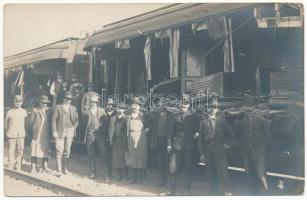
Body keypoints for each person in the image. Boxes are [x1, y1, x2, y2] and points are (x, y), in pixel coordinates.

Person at [163, 97, 200, 195]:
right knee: (172, 168)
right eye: (182, 103)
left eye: (186, 103)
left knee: (188, 169)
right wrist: (169, 145)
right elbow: (170, 132)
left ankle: (186, 191)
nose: (184, 105)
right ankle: (169, 190)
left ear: (188, 105)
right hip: (176, 146)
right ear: (180, 104)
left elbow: (199, 128)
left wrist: (197, 133)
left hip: (188, 146)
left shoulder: (194, 117)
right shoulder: (175, 117)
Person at [197, 96, 233, 195]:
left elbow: (231, 134)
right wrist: (201, 154)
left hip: (220, 149)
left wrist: (227, 144)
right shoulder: (203, 121)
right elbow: (200, 139)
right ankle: (213, 193)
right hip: (208, 151)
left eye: (215, 107)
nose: (213, 109)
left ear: (218, 108)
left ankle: (227, 192)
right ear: (208, 108)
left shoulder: (222, 120)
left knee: (223, 173)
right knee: (210, 173)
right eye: (211, 107)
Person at [234, 99, 269, 194]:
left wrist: (263, 147)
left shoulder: (260, 119)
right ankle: (251, 191)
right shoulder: (241, 121)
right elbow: (238, 135)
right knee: (249, 172)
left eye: (249, 107)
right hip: (246, 151)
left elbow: (267, 134)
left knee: (260, 172)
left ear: (253, 108)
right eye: (245, 107)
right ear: (243, 108)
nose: (247, 109)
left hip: (258, 151)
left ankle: (263, 191)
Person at [82, 95, 109, 180]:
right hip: (90, 134)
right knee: (91, 154)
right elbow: (83, 125)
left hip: (100, 135)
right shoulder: (86, 112)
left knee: (103, 153)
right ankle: (92, 172)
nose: (93, 104)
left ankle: (106, 173)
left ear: (97, 103)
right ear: (90, 103)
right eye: (92, 102)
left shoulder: (101, 111)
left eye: (95, 102)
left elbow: (105, 124)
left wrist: (105, 135)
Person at [52, 91, 79, 176]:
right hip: (60, 130)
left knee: (67, 150)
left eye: (70, 99)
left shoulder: (73, 108)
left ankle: (65, 169)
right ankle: (59, 170)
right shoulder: (58, 107)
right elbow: (53, 120)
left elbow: (77, 121)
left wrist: (73, 128)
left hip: (70, 130)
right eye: (67, 99)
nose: (68, 100)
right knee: (59, 149)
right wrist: (54, 131)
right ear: (63, 99)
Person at [125, 98, 150, 184]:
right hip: (131, 137)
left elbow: (150, 124)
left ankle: (142, 179)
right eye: (133, 104)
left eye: (137, 105)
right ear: (131, 106)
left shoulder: (143, 115)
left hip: (141, 137)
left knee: (142, 158)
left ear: (139, 107)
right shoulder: (128, 116)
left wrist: (145, 131)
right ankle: (132, 178)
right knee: (132, 157)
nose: (135, 106)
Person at [28, 95, 52, 174]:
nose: (44, 105)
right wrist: (33, 131)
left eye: (46, 103)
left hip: (46, 134)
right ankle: (33, 167)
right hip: (37, 132)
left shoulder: (49, 111)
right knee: (34, 149)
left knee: (45, 150)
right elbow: (30, 123)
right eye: (43, 103)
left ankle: (44, 166)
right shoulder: (35, 110)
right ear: (39, 103)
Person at [4, 95, 28, 170]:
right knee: (11, 150)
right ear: (14, 102)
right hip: (11, 133)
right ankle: (10, 165)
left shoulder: (24, 112)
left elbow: (26, 124)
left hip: (21, 134)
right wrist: (7, 131)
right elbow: (5, 124)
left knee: (20, 150)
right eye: (16, 101)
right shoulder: (9, 112)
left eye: (19, 102)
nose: (18, 103)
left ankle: (18, 165)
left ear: (22, 102)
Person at [151, 106, 173, 187]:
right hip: (158, 141)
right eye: (161, 104)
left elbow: (171, 130)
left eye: (164, 104)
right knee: (160, 161)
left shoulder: (171, 115)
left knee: (167, 161)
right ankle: (161, 180)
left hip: (166, 141)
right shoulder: (157, 115)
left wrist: (169, 143)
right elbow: (154, 129)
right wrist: (153, 141)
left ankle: (168, 182)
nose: (162, 106)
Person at [109, 102, 128, 181]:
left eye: (122, 108)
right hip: (115, 140)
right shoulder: (113, 118)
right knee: (116, 158)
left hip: (123, 140)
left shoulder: (126, 119)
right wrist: (111, 139)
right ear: (117, 109)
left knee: (123, 158)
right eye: (119, 108)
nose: (121, 110)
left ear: (124, 110)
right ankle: (118, 175)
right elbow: (110, 129)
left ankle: (124, 176)